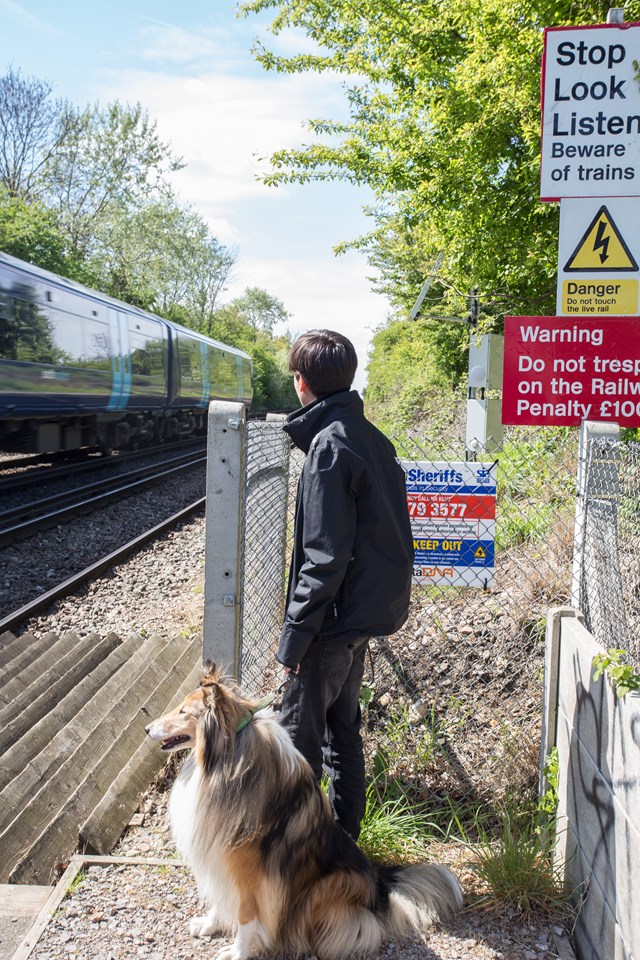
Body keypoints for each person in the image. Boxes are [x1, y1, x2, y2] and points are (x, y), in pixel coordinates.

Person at [276, 329, 414, 840]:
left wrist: (294, 638)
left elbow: (323, 558)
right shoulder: (370, 437)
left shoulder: (329, 447)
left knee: (297, 749)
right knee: (343, 734)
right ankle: (344, 852)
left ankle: (296, 869)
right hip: (359, 618)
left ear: (301, 382)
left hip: (330, 623)